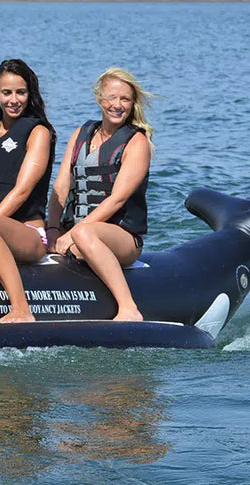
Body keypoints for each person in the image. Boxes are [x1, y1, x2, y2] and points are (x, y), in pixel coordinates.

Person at [47, 67, 154, 322]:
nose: (117, 105)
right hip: (77, 229)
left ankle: (128, 307)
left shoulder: (137, 142)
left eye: (125, 99)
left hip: (121, 237)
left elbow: (118, 199)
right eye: (111, 97)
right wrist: (52, 228)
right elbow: (61, 186)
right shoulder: (81, 134)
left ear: (132, 104)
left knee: (84, 235)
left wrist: (72, 234)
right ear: (99, 98)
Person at [0, 59, 56, 323]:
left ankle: (21, 308)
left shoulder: (38, 132)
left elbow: (23, 190)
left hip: (28, 233)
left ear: (30, 93)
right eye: (7, 92)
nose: (13, 100)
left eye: (20, 92)